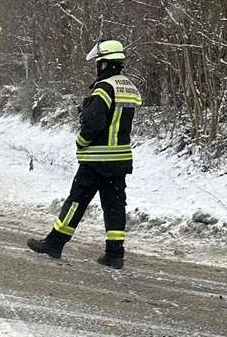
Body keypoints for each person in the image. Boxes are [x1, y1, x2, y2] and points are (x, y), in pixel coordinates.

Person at [27, 40, 142, 269]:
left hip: (96, 159)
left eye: (99, 63)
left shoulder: (104, 88)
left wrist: (81, 141)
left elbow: (94, 122)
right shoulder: (128, 87)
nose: (97, 67)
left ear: (105, 63)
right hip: (119, 159)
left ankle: (54, 243)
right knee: (114, 206)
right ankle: (114, 254)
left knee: (76, 201)